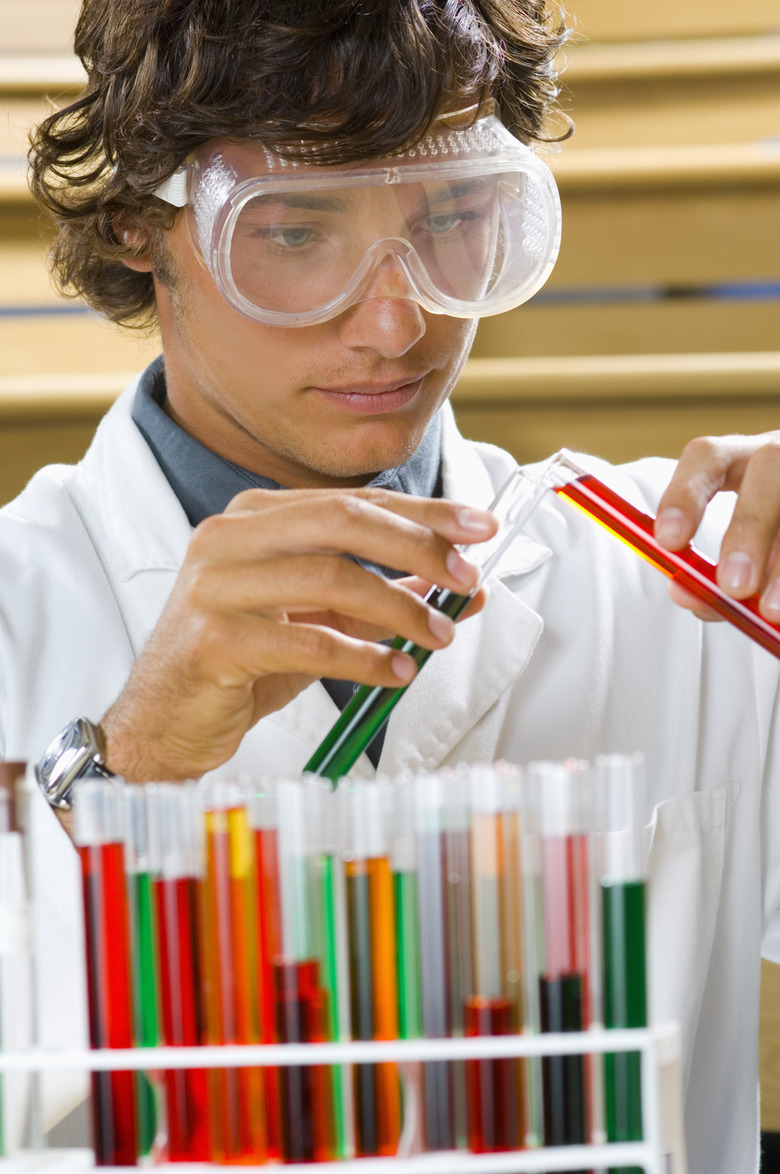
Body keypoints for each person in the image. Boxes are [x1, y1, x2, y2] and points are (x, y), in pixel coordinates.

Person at [3, 0, 780, 1169]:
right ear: (137, 228)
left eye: (456, 218)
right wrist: (129, 762)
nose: (398, 318)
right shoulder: (21, 609)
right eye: (296, 232)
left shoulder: (698, 585)